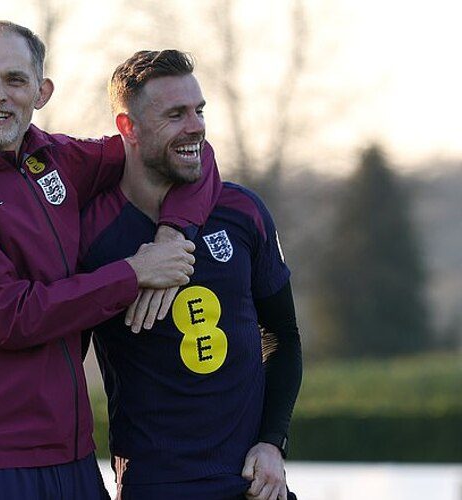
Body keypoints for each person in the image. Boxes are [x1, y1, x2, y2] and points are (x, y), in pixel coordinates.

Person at [0, 20, 222, 500]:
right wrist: (134, 274)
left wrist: (172, 237)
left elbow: (186, 151)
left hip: (74, 456)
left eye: (15, 80)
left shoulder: (56, 158)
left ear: (42, 92)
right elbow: (9, 316)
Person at [79, 50, 303, 500]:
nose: (196, 126)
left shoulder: (243, 211)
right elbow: (57, 364)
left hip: (253, 483)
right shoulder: (89, 234)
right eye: (176, 114)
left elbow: (283, 335)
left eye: (199, 110)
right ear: (129, 128)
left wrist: (271, 442)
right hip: (156, 485)